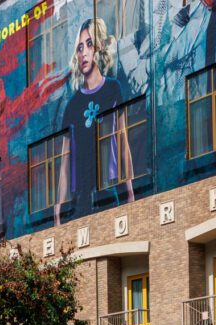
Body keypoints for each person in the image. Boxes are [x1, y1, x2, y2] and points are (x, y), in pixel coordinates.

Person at [55, 17, 129, 226]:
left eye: (89, 44)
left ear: (99, 47)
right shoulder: (72, 105)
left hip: (110, 191)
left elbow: (122, 141)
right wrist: (59, 207)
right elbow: (64, 164)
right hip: (81, 200)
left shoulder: (113, 89)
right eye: (79, 48)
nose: (84, 52)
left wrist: (131, 192)